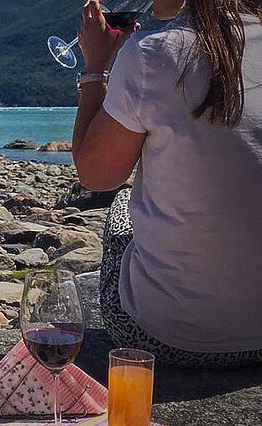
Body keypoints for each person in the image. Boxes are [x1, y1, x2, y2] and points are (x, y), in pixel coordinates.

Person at [72, 0, 262, 366]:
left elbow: (96, 176)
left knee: (123, 209)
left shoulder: (154, 52)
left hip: (166, 336)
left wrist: (95, 68)